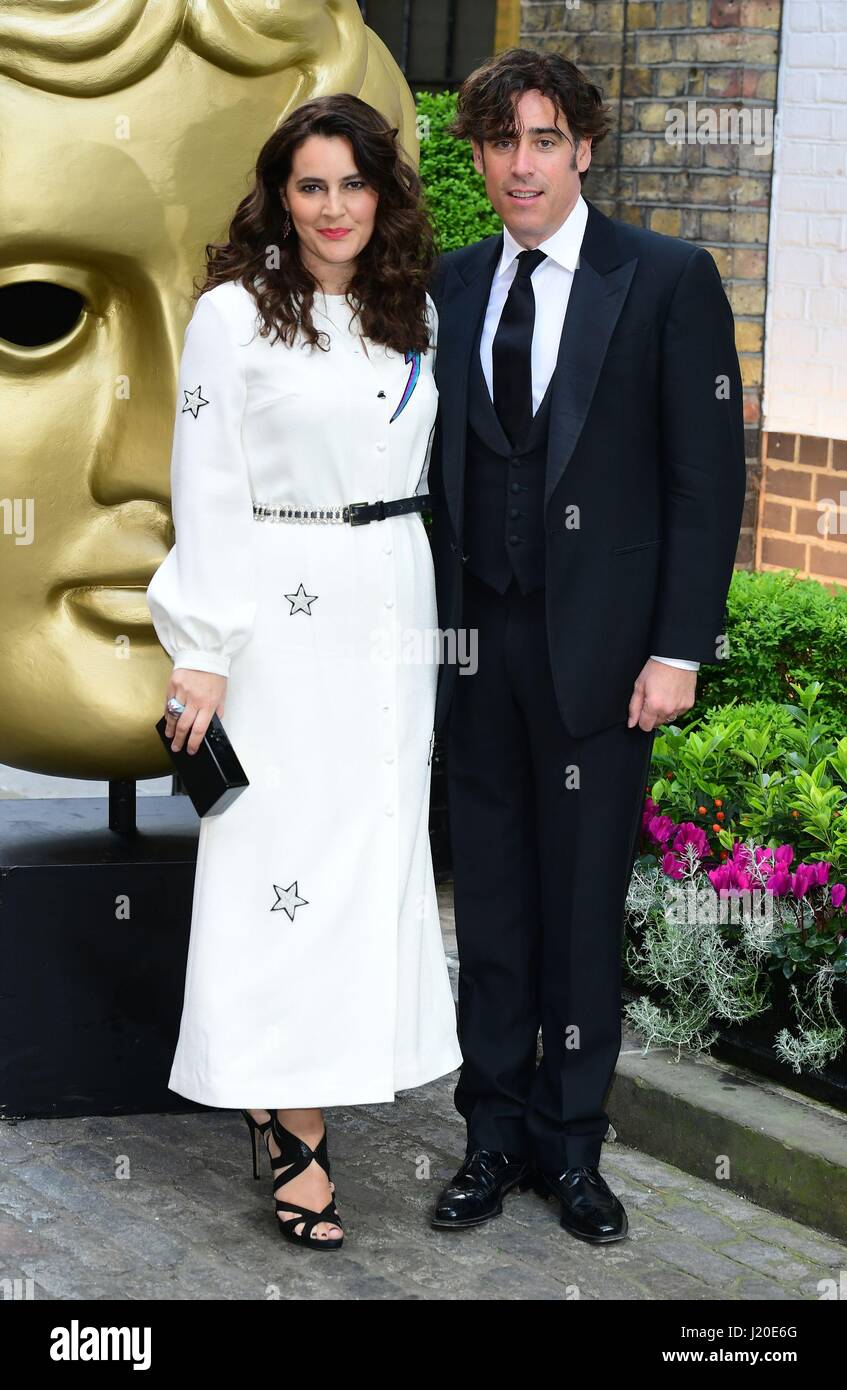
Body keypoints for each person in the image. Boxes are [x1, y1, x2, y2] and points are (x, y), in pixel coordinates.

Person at [426, 49, 746, 1242]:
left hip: (605, 663)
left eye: (545, 139)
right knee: (491, 905)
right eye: (501, 142)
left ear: (584, 148)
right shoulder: (450, 285)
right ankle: (490, 1133)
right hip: (474, 649)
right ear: (477, 156)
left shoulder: (662, 278)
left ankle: (572, 1150)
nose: (522, 163)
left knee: (576, 910)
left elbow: (703, 487)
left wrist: (679, 648)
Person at [146, 93, 462, 1251]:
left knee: (368, 853)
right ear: (281, 195)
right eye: (310, 185)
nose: (334, 208)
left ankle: (307, 1086)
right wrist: (206, 651)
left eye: (353, 183)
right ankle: (296, 1132)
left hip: (392, 599)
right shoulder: (233, 315)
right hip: (277, 610)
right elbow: (207, 482)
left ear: (384, 193)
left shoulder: (411, 309)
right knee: (275, 858)